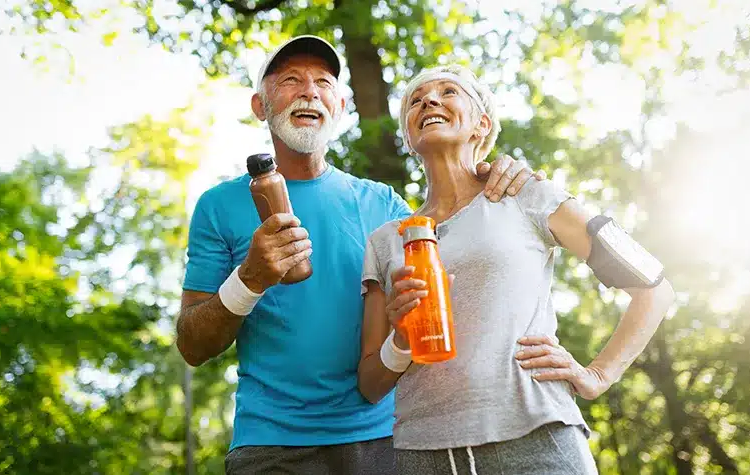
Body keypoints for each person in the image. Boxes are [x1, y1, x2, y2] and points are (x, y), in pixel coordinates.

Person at [175, 36, 544, 475]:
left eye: (324, 82)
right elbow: (193, 346)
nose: (310, 90)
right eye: (291, 80)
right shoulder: (219, 206)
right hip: (271, 445)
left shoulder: (385, 206)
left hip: (388, 436)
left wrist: (495, 172)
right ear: (260, 105)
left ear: (342, 105)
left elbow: (452, 288)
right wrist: (249, 278)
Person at [357, 64, 676, 474]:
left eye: (448, 92)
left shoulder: (528, 195)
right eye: (416, 101)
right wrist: (401, 341)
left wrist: (598, 373)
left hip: (537, 440)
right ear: (410, 137)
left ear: (481, 125)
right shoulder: (386, 241)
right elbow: (370, 384)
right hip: (423, 455)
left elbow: (654, 287)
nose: (429, 101)